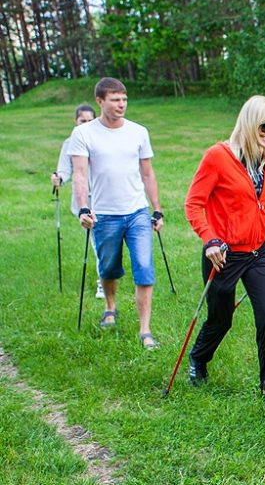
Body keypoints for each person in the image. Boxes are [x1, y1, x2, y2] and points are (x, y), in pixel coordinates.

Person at [184, 95, 265, 410]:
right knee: (221, 318)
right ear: (249, 122)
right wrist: (210, 239)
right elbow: (194, 204)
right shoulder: (218, 156)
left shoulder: (264, 160)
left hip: (258, 253)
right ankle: (198, 359)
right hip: (224, 254)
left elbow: (258, 208)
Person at [70, 78, 164, 350]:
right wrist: (83, 208)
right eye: (115, 99)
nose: (121, 104)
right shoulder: (84, 134)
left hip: (136, 212)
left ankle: (145, 329)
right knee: (109, 267)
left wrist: (156, 209)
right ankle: (111, 306)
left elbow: (147, 173)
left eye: (124, 99)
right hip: (104, 215)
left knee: (144, 267)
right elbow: (79, 174)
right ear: (100, 101)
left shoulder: (138, 132)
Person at [51, 104, 103, 298]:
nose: (87, 124)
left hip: (107, 198)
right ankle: (103, 282)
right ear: (76, 122)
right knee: (98, 242)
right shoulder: (69, 143)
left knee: (109, 243)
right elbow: (64, 170)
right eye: (83, 121)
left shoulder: (103, 140)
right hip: (85, 202)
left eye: (90, 121)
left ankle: (108, 275)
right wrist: (59, 178)